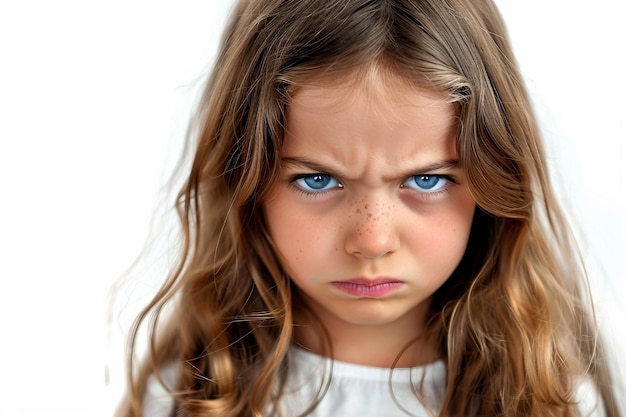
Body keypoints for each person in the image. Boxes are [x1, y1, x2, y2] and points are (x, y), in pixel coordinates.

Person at [114, 0, 622, 416]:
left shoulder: (553, 398)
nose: (373, 241)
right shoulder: (187, 397)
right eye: (318, 180)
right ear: (245, 179)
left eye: (426, 180)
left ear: (494, 180)